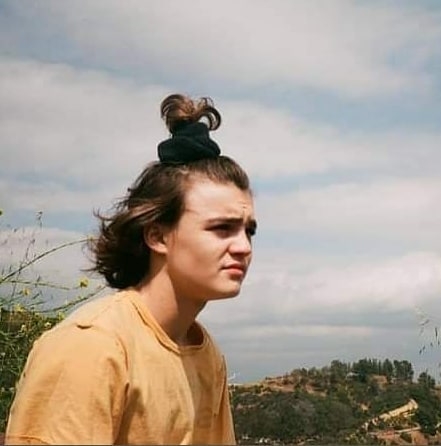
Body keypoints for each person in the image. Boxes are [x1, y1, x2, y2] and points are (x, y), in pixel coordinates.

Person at [5, 94, 257, 445]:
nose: (244, 246)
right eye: (221, 228)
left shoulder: (204, 353)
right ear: (157, 236)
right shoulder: (93, 347)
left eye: (248, 231)